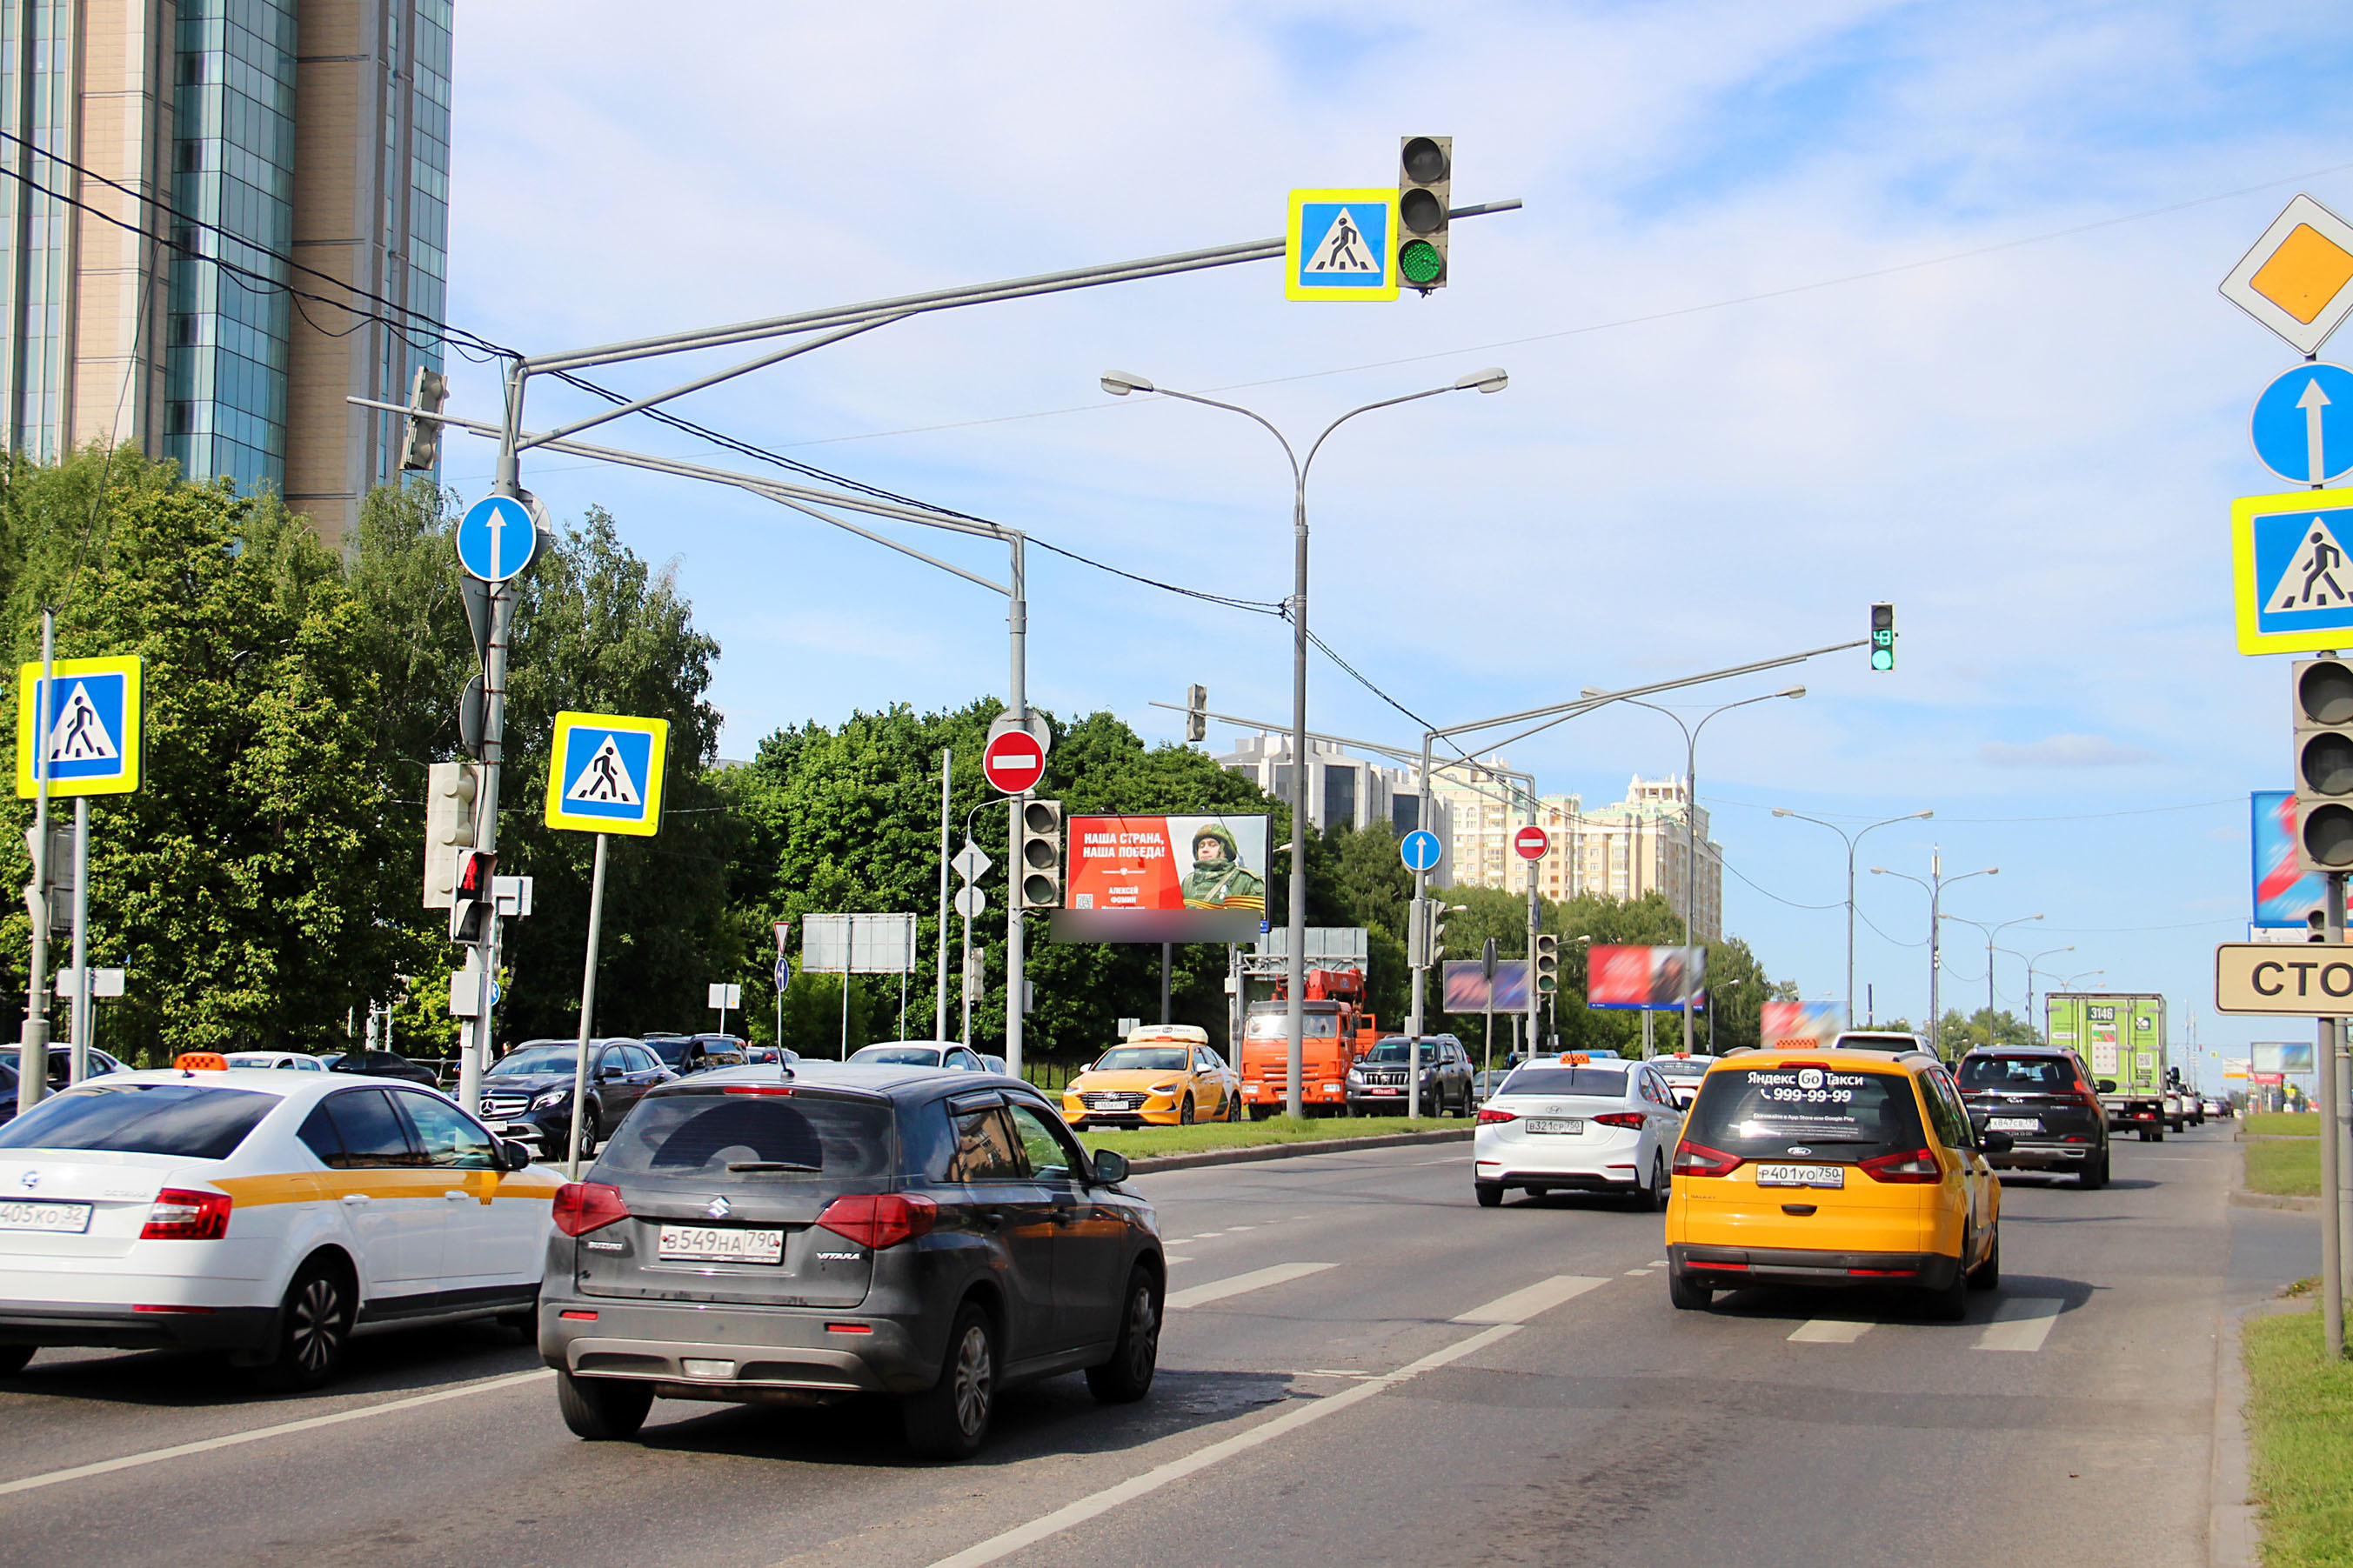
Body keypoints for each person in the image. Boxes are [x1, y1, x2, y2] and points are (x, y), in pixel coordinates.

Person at [1180, 824, 1265, 911]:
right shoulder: (1188, 882)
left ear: (1225, 850)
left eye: (1212, 845)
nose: (1205, 850)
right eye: (1201, 846)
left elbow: (1260, 916)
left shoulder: (1246, 880)